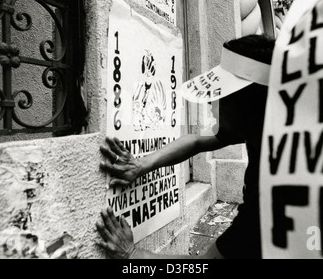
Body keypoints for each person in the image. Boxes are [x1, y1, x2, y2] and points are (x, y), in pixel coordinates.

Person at [97, 34, 275, 259]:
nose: (211, 101)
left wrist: (132, 255)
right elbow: (197, 140)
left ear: (245, 103)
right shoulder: (267, 125)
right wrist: (140, 165)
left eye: (220, 93)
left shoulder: (273, 192)